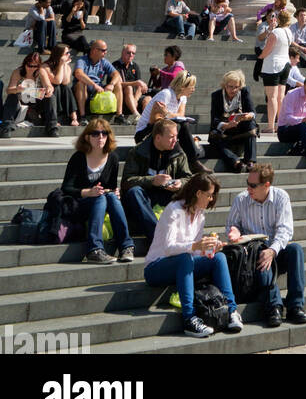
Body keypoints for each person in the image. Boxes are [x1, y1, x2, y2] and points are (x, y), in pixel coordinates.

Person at [143, 172, 243, 339]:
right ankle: (189, 318)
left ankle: (231, 311)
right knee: (185, 258)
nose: (211, 199)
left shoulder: (200, 215)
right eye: (209, 195)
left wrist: (209, 248)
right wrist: (196, 246)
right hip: (156, 267)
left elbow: (194, 250)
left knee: (219, 258)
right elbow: (169, 248)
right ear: (198, 193)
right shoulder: (174, 209)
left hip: (183, 264)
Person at [226, 162, 306, 326]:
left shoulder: (281, 197)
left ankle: (296, 305)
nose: (248, 188)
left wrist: (273, 250)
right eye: (247, 184)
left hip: (276, 249)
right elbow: (232, 225)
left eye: (253, 185)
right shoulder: (241, 199)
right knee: (261, 255)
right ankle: (274, 306)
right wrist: (234, 231)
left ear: (267, 185)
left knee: (296, 250)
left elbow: (285, 230)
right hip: (254, 254)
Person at [60, 118, 135, 264]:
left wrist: (114, 191)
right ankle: (94, 249)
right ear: (87, 137)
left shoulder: (113, 158)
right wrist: (88, 192)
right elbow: (66, 188)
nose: (100, 137)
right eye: (95, 134)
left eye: (104, 133)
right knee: (100, 198)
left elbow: (111, 185)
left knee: (111, 197)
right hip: (79, 204)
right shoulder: (79, 157)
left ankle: (126, 246)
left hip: (101, 202)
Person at [121, 118, 192, 233]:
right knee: (134, 192)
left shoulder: (178, 153)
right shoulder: (137, 152)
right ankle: (157, 235)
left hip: (168, 194)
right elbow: (126, 182)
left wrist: (180, 183)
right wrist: (152, 180)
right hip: (145, 196)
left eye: (176, 136)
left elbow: (189, 178)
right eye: (171, 137)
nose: (175, 140)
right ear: (158, 138)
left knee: (194, 191)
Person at [134, 70, 206, 171]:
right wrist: (168, 116)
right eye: (191, 86)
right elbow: (155, 119)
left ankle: (192, 161)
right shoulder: (166, 94)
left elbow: (181, 115)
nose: (193, 89)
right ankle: (193, 161)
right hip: (145, 132)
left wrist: (166, 113)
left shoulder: (183, 97)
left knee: (182, 125)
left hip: (163, 129)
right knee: (179, 126)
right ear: (182, 87)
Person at [208, 70, 258, 172]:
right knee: (214, 136)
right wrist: (226, 125)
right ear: (224, 85)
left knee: (252, 124)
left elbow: (252, 112)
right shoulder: (216, 96)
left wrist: (248, 116)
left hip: (240, 128)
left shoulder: (244, 92)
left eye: (236, 87)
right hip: (225, 131)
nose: (233, 90)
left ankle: (250, 161)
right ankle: (235, 162)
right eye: (230, 86)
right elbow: (214, 119)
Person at [3, 50, 59, 136]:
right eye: (29, 65)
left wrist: (49, 89)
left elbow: (48, 85)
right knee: (12, 96)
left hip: (36, 102)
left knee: (51, 97)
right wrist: (17, 89)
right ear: (25, 64)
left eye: (35, 66)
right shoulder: (18, 72)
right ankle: (7, 127)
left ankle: (52, 128)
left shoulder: (41, 71)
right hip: (21, 102)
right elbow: (9, 90)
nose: (32, 68)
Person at [260, 10, 293, 135]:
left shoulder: (276, 32)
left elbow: (267, 50)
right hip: (285, 64)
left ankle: (270, 126)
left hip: (273, 66)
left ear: (278, 19)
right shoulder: (289, 32)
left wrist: (260, 57)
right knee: (280, 97)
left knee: (272, 97)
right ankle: (281, 124)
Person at [72, 39, 121, 121]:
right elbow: (78, 73)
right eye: (103, 50)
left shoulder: (104, 62)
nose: (105, 52)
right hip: (85, 89)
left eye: (106, 50)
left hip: (99, 90)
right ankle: (82, 116)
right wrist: (94, 85)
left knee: (118, 84)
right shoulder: (82, 60)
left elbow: (116, 74)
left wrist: (111, 84)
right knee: (81, 83)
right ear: (94, 50)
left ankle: (119, 115)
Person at [46, 44, 78, 127]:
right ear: (59, 55)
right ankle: (55, 117)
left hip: (61, 93)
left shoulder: (66, 66)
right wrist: (61, 65)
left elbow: (65, 81)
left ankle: (74, 117)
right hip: (47, 95)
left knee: (66, 88)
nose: (69, 55)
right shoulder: (46, 66)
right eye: (66, 53)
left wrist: (64, 65)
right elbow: (57, 81)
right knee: (56, 87)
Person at [113, 43, 146, 123]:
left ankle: (146, 121)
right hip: (121, 96)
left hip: (134, 97)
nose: (131, 55)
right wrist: (134, 83)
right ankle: (136, 115)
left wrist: (135, 99)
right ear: (122, 52)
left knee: (148, 99)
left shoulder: (135, 66)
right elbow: (117, 84)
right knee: (129, 87)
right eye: (128, 52)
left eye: (133, 53)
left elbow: (139, 86)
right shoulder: (115, 65)